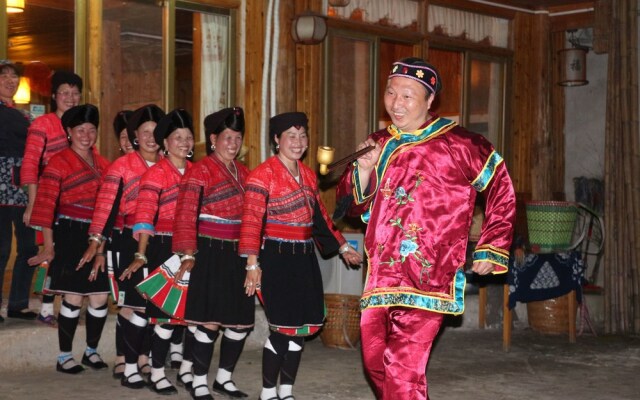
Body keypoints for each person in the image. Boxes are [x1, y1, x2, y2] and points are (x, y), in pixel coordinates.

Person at [335, 57, 516, 400]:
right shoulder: (378, 142)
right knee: (376, 363)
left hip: (431, 276)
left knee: (403, 371)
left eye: (407, 96)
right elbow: (354, 205)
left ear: (430, 100)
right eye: (391, 93)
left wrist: (491, 246)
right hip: (381, 277)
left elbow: (501, 187)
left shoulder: (462, 144)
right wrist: (363, 169)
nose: (396, 103)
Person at [239, 112, 362, 400]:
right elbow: (251, 222)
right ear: (276, 140)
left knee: (301, 329)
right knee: (283, 329)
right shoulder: (262, 175)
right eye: (291, 136)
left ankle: (286, 391)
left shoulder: (307, 175)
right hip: (275, 260)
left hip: (304, 260)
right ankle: (268, 392)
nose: (298, 142)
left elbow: (320, 220)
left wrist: (343, 247)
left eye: (302, 136)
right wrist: (252, 264)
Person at [79, 104, 164, 387]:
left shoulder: (168, 164)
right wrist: (98, 245)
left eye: (156, 132)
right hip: (127, 239)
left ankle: (143, 358)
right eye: (145, 132)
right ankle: (125, 360)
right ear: (135, 136)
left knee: (153, 304)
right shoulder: (122, 166)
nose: (151, 138)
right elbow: (105, 208)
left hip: (161, 241)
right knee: (130, 305)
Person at [173, 107, 254, 400]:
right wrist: (187, 253)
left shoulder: (246, 173)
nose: (232, 143)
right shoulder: (200, 171)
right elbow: (184, 215)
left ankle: (224, 378)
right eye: (226, 137)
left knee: (240, 323)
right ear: (212, 139)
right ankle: (198, 381)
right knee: (209, 322)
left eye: (237, 137)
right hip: (208, 252)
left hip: (239, 255)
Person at [27, 104, 111, 374]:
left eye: (91, 129)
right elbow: (46, 206)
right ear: (68, 133)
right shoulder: (58, 162)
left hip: (97, 236)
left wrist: (102, 242)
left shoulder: (104, 164)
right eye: (80, 130)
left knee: (99, 296)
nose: (86, 135)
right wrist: (49, 245)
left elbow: (110, 206)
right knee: (73, 296)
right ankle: (64, 356)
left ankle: (91, 351)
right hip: (69, 233)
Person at [120, 108, 195, 395]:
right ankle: (139, 369)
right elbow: (144, 216)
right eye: (177, 137)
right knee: (154, 313)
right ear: (166, 142)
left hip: (187, 248)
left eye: (188, 138)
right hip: (159, 246)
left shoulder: (197, 172)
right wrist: (140, 255)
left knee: (179, 314)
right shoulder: (155, 174)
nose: (184, 143)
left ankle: (175, 369)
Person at [22, 70, 84, 327]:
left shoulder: (81, 125)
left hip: (75, 204)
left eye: (75, 93)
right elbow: (30, 165)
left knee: (68, 253)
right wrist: (33, 204)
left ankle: (67, 304)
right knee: (48, 253)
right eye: (64, 93)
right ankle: (46, 308)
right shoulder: (42, 124)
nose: (70, 98)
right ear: (54, 96)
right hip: (49, 199)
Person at [0, 60, 38, 323]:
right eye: (4, 76)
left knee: (28, 246)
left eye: (14, 76)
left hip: (24, 184)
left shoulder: (21, 113)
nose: (11, 80)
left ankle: (18, 303)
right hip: (1, 184)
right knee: (1, 248)